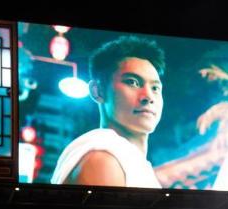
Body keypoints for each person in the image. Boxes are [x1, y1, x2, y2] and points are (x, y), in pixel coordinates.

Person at [51, 36, 165, 188]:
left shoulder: (131, 162)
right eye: (132, 82)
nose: (148, 96)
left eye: (155, 88)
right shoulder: (103, 159)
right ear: (97, 91)